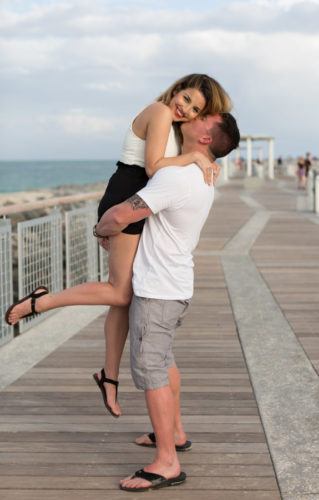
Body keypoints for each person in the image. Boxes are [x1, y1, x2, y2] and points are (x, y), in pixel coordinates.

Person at [5, 74, 232, 418]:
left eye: (195, 109)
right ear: (176, 89)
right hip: (126, 196)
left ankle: (109, 377)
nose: (184, 108)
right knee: (120, 293)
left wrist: (196, 157)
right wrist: (195, 158)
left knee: (126, 296)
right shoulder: (158, 110)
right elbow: (154, 167)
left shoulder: (171, 122)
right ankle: (41, 302)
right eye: (185, 98)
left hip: (142, 198)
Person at [93, 112, 240, 491]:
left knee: (150, 370)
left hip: (158, 290)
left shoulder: (175, 176)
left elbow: (124, 213)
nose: (195, 115)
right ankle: (173, 434)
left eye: (206, 116)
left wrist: (101, 227)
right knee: (163, 359)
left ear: (207, 138)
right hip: (175, 286)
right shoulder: (200, 174)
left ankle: (166, 463)